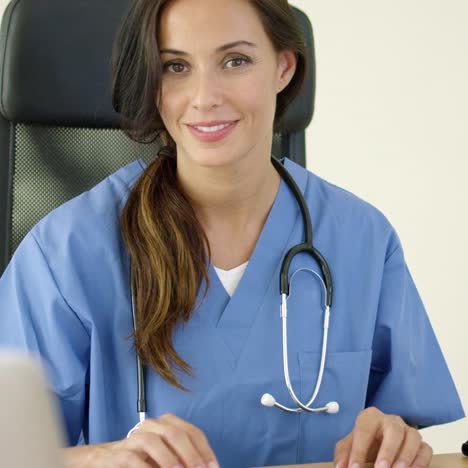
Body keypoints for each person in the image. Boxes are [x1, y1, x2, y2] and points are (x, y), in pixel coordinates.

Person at [0, 0, 464, 467]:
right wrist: (100, 459)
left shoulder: (362, 239)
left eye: (235, 61)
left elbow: (397, 422)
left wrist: (394, 435)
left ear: (283, 67)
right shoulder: (66, 252)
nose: (205, 96)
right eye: (175, 66)